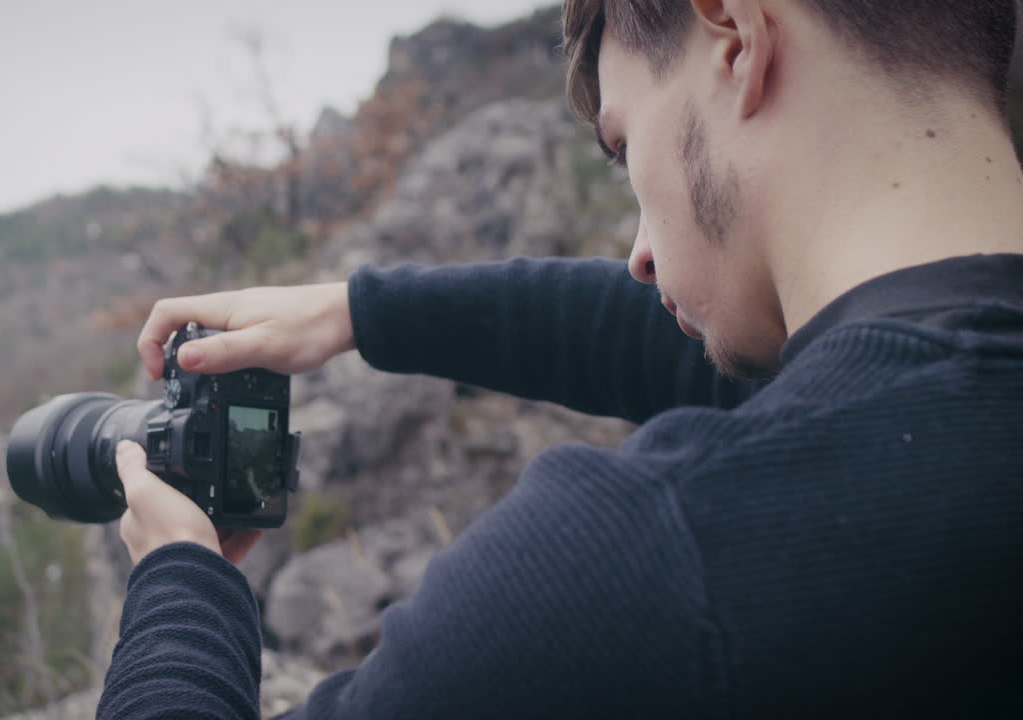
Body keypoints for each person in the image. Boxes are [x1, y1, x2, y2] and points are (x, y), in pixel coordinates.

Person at [98, 0, 1023, 716]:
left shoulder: (653, 555)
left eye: (625, 147)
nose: (639, 254)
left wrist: (182, 582)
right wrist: (359, 309)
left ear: (736, 35)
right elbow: (742, 364)